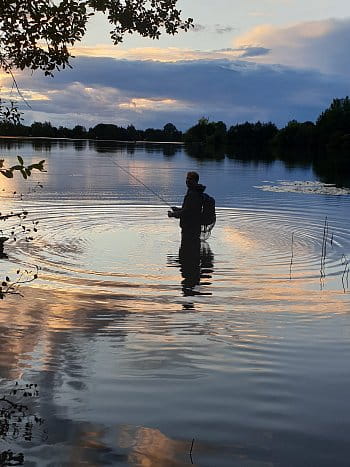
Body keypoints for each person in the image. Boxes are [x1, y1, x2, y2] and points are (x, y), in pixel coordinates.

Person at [168, 171, 206, 241]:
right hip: (193, 227)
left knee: (187, 249)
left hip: (190, 229)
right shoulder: (195, 191)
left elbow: (186, 213)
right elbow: (190, 210)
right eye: (187, 179)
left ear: (195, 181)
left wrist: (172, 214)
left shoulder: (193, 194)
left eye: (190, 179)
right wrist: (177, 209)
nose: (188, 181)